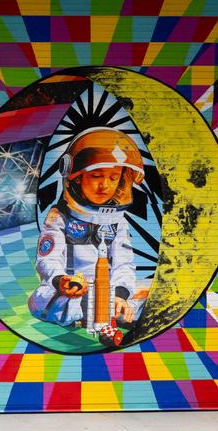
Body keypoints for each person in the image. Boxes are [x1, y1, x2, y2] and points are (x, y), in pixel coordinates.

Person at [27, 127, 146, 329]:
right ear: (77, 176)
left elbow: (123, 264)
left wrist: (119, 296)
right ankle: (92, 312)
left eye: (113, 177)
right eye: (97, 176)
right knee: (41, 301)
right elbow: (48, 258)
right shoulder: (59, 216)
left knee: (148, 290)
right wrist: (61, 280)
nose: (105, 186)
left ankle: (116, 310)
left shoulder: (119, 220)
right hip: (74, 289)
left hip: (109, 290)